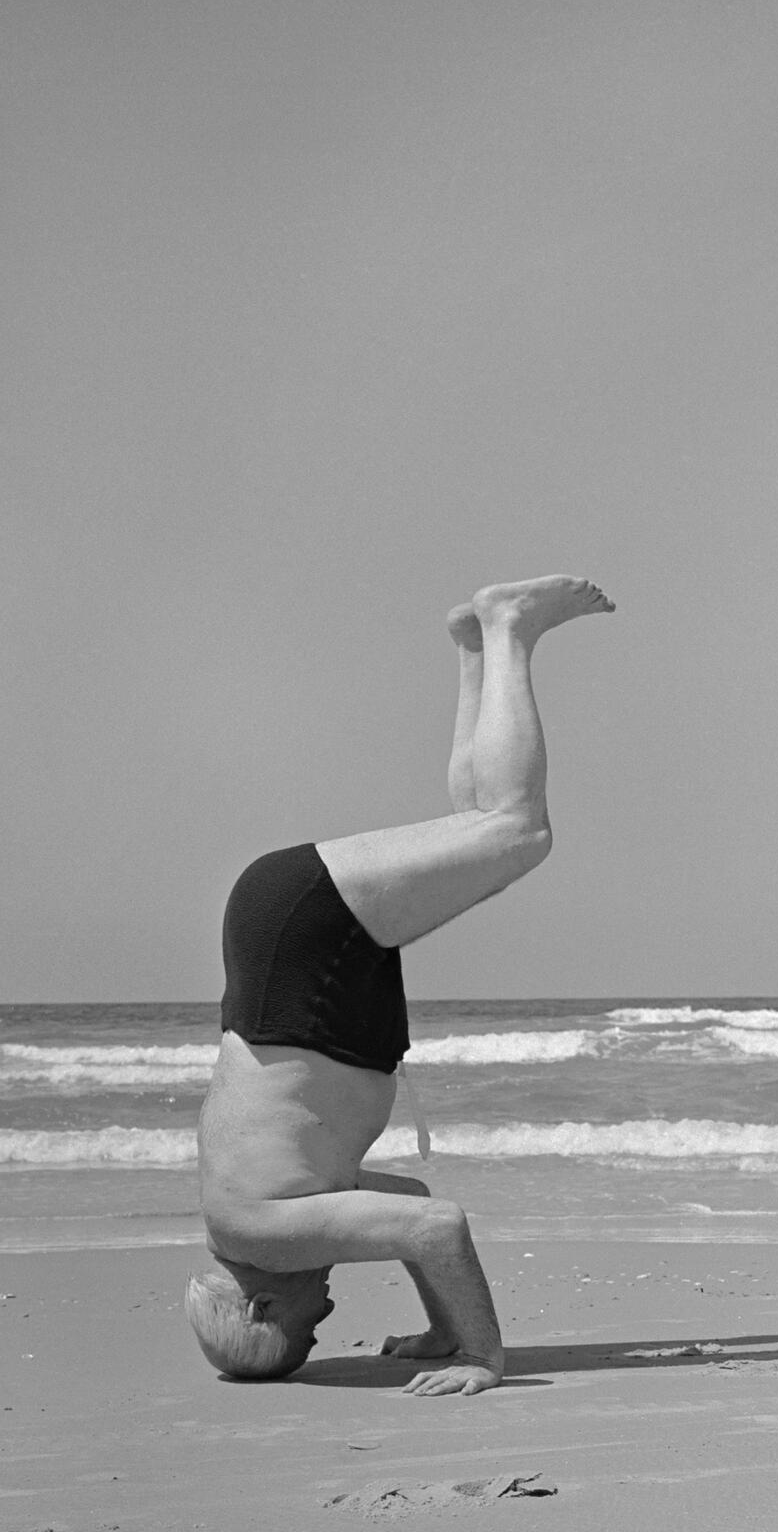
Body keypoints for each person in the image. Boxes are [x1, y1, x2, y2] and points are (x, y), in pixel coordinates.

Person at [187, 575, 614, 1394]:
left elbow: (435, 1226)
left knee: (517, 830)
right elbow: (413, 1209)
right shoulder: (247, 1220)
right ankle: (475, 650)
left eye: (310, 1326)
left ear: (263, 1309)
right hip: (286, 942)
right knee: (481, 833)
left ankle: (510, 628)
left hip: (310, 954)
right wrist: (441, 1326)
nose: (327, 1311)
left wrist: (480, 1358)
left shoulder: (269, 1239)